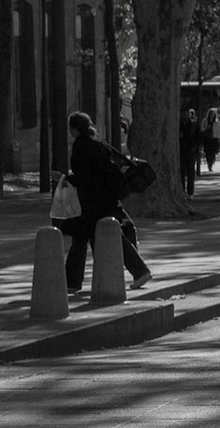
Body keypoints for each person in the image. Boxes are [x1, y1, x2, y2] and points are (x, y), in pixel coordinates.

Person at [60, 112, 151, 293]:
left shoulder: (81, 148)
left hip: (91, 201)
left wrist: (69, 180)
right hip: (106, 198)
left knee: (97, 237)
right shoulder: (99, 144)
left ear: (75, 128)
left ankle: (140, 270)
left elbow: (85, 177)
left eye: (70, 127)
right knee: (86, 237)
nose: (69, 130)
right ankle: (72, 281)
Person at [178, 104, 201, 198]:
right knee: (181, 172)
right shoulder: (177, 125)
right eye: (182, 114)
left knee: (191, 172)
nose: (184, 116)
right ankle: (182, 190)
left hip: (191, 151)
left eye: (185, 114)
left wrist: (196, 147)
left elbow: (199, 137)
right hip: (181, 151)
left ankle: (190, 192)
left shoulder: (194, 125)